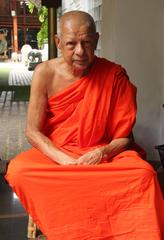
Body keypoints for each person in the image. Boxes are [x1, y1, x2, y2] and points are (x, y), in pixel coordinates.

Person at [5, 11, 164, 240]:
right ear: (58, 42)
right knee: (19, 171)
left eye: (87, 43)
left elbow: (125, 138)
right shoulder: (45, 73)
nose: (80, 51)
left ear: (96, 40)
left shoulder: (114, 75)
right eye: (71, 44)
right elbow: (33, 131)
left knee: (144, 175)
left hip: (102, 153)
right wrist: (65, 161)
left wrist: (101, 152)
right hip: (58, 153)